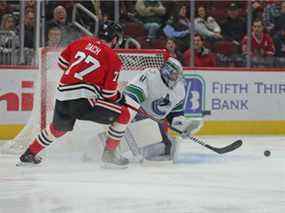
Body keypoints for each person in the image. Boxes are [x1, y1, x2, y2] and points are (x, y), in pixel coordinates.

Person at [17, 21, 132, 168]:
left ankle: (29, 153)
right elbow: (108, 93)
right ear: (115, 39)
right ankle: (109, 154)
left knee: (58, 128)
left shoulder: (82, 41)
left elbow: (62, 63)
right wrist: (119, 98)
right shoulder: (113, 57)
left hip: (63, 95)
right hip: (83, 100)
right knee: (124, 115)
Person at [122, 57, 200, 160]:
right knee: (153, 145)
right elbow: (131, 98)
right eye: (174, 74)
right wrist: (140, 116)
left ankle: (144, 152)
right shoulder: (150, 75)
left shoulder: (179, 89)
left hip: (153, 122)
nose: (177, 78)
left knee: (168, 148)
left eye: (178, 75)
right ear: (166, 71)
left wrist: (182, 127)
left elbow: (175, 115)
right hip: (134, 117)